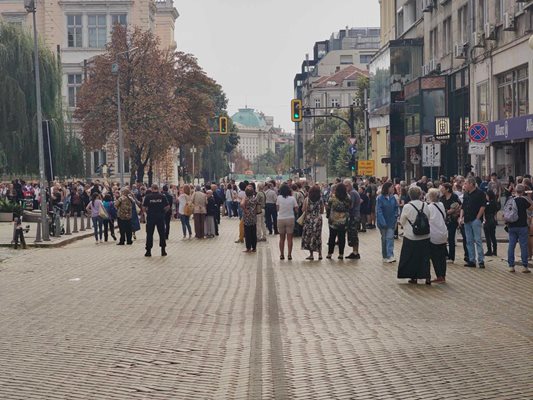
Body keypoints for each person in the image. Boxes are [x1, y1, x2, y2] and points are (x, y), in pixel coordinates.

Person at [398, 186, 431, 285]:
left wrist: (405, 227)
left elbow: (402, 220)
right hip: (425, 235)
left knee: (412, 257)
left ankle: (414, 277)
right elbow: (428, 217)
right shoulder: (425, 205)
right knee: (425, 257)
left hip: (411, 236)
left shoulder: (407, 207)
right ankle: (427, 276)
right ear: (420, 194)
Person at [460, 177, 486, 268]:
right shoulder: (466, 194)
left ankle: (481, 260)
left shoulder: (480, 193)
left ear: (471, 184)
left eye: (466, 183)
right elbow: (463, 206)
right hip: (467, 220)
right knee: (469, 241)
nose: (464, 185)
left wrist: (477, 218)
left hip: (475, 220)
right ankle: (472, 260)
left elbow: (483, 206)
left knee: (478, 240)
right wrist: (461, 217)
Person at [506, 184, 533, 273]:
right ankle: (525, 267)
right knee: (523, 246)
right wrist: (529, 197)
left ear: (515, 190)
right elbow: (531, 208)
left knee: (511, 245)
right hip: (522, 226)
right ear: (523, 191)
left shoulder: (510, 200)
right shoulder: (523, 200)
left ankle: (511, 266)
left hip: (512, 226)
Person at [142, 184, 169, 257]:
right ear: (158, 188)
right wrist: (163, 212)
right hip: (160, 217)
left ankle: (148, 251)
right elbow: (167, 206)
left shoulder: (148, 197)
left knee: (149, 234)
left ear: (151, 188)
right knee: (162, 233)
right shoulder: (162, 196)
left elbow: (144, 207)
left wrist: (147, 212)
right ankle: (163, 250)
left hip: (151, 217)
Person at [427, 188, 448, 283]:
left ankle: (439, 275)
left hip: (434, 234)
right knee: (442, 256)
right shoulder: (441, 205)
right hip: (443, 232)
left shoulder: (429, 207)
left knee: (435, 256)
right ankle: (443, 275)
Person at [326, 183, 351, 260]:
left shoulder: (332, 198)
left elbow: (328, 208)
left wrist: (328, 216)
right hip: (343, 221)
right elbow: (349, 207)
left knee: (332, 237)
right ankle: (341, 254)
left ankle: (330, 253)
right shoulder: (348, 198)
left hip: (333, 220)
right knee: (342, 237)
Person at [376, 181, 398, 263]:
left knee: (390, 238)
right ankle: (384, 255)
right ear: (387, 188)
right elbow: (379, 211)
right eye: (391, 187)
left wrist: (396, 216)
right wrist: (382, 222)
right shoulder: (380, 198)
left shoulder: (393, 198)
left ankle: (390, 255)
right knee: (384, 239)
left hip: (391, 221)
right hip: (383, 222)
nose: (393, 188)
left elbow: (396, 207)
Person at [440, 183, 461, 263]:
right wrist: (447, 211)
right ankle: (445, 254)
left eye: (442, 188)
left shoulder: (454, 197)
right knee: (443, 237)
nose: (441, 190)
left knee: (451, 238)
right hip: (444, 220)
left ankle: (451, 257)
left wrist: (451, 211)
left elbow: (458, 206)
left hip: (452, 220)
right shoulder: (442, 198)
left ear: (447, 189)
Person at [301, 185, 324, 260]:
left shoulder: (307, 199)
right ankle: (320, 254)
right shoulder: (320, 199)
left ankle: (311, 255)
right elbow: (322, 210)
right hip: (318, 219)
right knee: (317, 236)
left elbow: (303, 209)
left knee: (309, 236)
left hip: (309, 219)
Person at [276, 183, 298, 260]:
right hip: (290, 218)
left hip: (281, 218)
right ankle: (289, 255)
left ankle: (281, 254)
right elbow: (296, 209)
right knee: (289, 238)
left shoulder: (279, 198)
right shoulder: (292, 198)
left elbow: (277, 209)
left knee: (281, 238)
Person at [344, 179, 361, 260]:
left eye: (346, 185)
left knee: (353, 234)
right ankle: (354, 251)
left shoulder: (352, 193)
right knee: (353, 233)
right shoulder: (354, 192)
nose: (345, 187)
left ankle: (355, 252)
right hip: (355, 215)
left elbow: (351, 205)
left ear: (350, 185)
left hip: (353, 216)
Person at [241, 186, 258, 252]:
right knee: (253, 232)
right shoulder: (255, 198)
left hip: (247, 217)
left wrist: (245, 210)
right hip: (253, 217)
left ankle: (248, 248)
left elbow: (242, 204)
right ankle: (254, 247)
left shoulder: (245, 199)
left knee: (247, 233)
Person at [483, 190, 499, 257]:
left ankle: (489, 250)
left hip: (487, 219)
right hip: (493, 219)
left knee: (487, 236)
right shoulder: (495, 202)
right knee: (493, 236)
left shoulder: (486, 203)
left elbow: (484, 210)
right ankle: (495, 251)